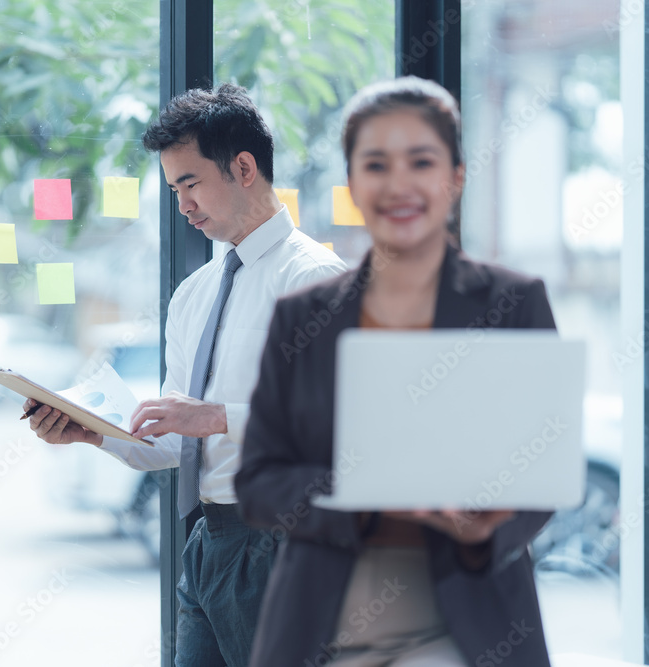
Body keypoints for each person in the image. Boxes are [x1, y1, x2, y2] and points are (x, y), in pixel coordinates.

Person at [235, 76, 557, 667]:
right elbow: (257, 483)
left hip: (465, 611)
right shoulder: (302, 317)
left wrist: (488, 524)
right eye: (376, 164)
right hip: (321, 614)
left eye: (421, 161)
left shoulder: (512, 302)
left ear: (456, 177)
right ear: (353, 182)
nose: (399, 184)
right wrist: (363, 497)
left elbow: (542, 467)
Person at [24, 82, 346, 666]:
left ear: (244, 167)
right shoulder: (192, 296)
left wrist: (216, 415)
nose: (182, 206)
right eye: (174, 190)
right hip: (207, 542)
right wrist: (95, 432)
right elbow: (181, 442)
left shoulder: (315, 278)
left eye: (190, 183)